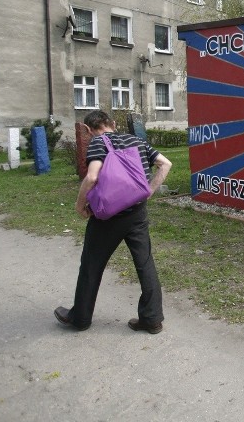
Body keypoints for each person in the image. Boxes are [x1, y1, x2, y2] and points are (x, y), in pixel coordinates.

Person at [55, 110, 172, 334]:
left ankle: (80, 318)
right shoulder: (136, 141)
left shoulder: (97, 142)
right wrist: (148, 191)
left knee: (91, 264)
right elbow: (165, 164)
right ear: (113, 124)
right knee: (145, 263)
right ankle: (152, 319)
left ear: (88, 130)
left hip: (107, 217)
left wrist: (79, 205)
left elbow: (92, 177)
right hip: (137, 213)